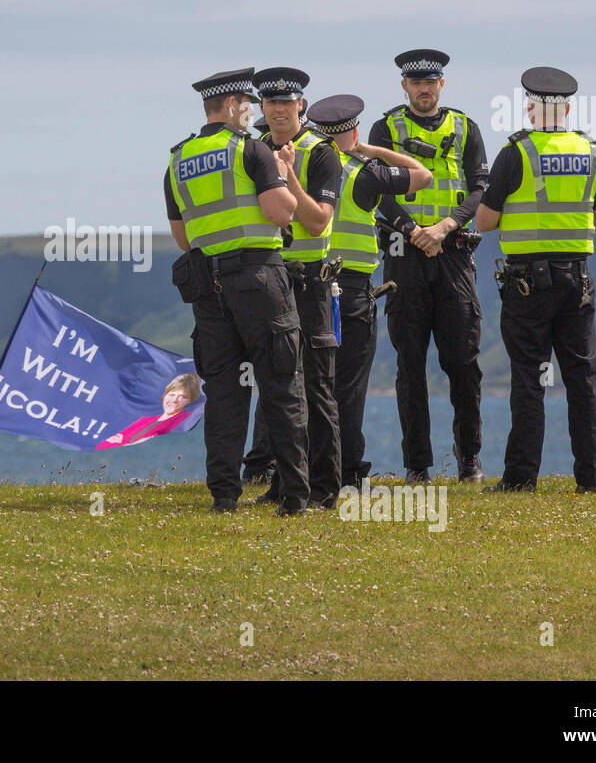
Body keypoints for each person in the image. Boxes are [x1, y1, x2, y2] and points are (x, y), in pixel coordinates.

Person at [165, 67, 310, 516]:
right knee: (282, 384)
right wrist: (284, 175)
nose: (252, 112)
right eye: (248, 105)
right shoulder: (251, 149)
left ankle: (224, 495)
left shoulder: (177, 159)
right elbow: (281, 214)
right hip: (260, 280)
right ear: (231, 106)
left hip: (208, 286)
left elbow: (183, 238)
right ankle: (295, 497)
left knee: (224, 392)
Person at [474, 68, 596, 493]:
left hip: (528, 285)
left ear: (531, 108)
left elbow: (484, 221)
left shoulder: (516, 152)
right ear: (569, 108)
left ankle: (521, 479)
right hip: (578, 281)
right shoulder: (591, 152)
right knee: (582, 381)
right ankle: (590, 481)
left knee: (530, 379)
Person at [370, 49, 489, 483]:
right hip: (404, 253)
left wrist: (445, 227)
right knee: (410, 363)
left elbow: (480, 187)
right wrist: (415, 229)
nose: (423, 88)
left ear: (442, 85)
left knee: (463, 360)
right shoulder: (386, 128)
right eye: (415, 82)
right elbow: (376, 188)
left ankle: (469, 459)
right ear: (404, 86)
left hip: (454, 251)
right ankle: (417, 465)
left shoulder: (466, 127)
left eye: (431, 81)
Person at [310, 94, 430, 491]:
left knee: (310, 383)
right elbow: (422, 175)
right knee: (349, 387)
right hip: (354, 290)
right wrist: (372, 150)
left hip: (310, 285)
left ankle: (305, 472)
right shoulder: (366, 172)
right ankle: (344, 474)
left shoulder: (305, 166)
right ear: (354, 130)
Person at [244, 67, 344, 510]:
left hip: (310, 283)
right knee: (279, 387)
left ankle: (325, 487)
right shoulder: (254, 150)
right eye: (272, 103)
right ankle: (284, 483)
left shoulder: (321, 152)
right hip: (270, 280)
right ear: (262, 108)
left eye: (288, 102)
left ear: (301, 104)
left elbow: (319, 220)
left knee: (317, 388)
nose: (280, 109)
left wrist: (289, 178)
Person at [97, 373, 202, 450]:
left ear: (191, 401)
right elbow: (119, 437)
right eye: (172, 394)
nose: (174, 400)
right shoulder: (148, 419)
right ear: (164, 395)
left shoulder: (183, 421)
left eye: (183, 397)